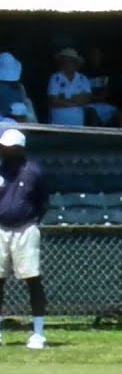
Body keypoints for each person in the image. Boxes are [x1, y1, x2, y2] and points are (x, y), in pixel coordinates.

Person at [0, 128, 50, 349]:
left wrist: (32, 222)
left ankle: (38, 333)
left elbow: (43, 202)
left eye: (8, 148)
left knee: (32, 279)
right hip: (0, 230)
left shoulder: (34, 172)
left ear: (19, 149)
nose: (4, 151)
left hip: (26, 229)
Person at [48, 48, 92, 127]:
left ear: (76, 63)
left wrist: (63, 99)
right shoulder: (55, 78)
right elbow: (53, 101)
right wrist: (75, 100)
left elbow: (86, 100)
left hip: (78, 124)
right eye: (65, 61)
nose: (68, 63)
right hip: (58, 124)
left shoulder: (83, 78)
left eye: (71, 61)